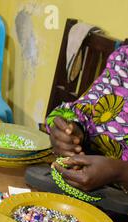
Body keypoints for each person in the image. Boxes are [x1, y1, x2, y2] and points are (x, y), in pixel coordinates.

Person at [46, 45, 128, 193]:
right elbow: (86, 108)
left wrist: (121, 173)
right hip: (88, 185)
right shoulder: (123, 58)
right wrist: (72, 130)